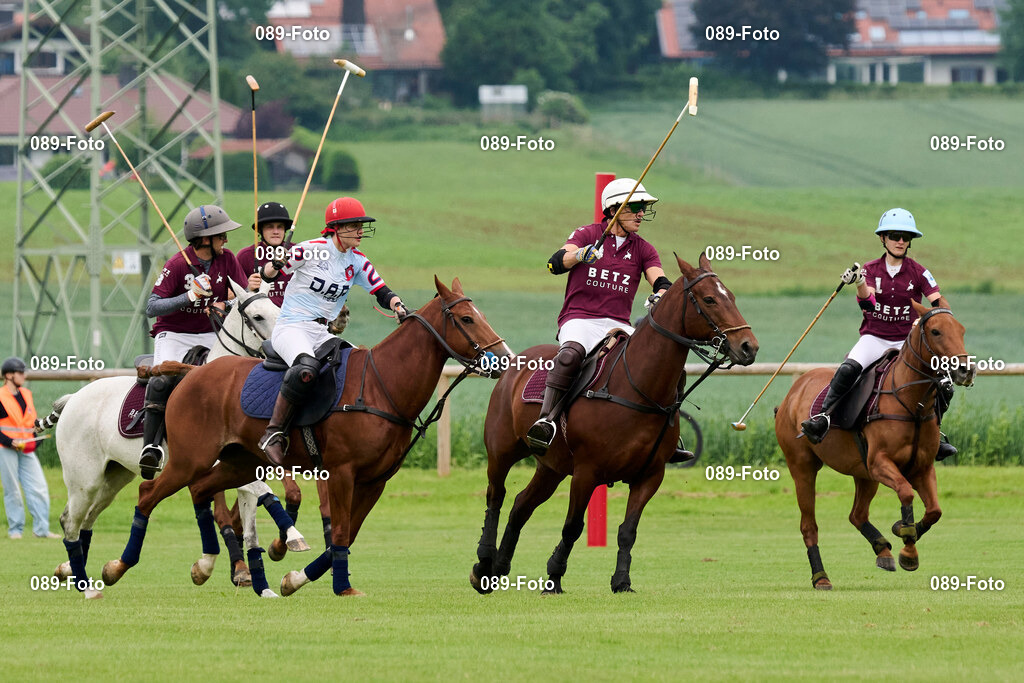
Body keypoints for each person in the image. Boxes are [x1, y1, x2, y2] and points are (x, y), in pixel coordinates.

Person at [525, 178, 692, 463]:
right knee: (570, 356)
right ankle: (546, 422)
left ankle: (668, 434)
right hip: (580, 319)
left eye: (643, 208)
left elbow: (659, 279)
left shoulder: (643, 249)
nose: (641, 214)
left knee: (669, 367)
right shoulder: (587, 234)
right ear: (615, 208)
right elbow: (554, 263)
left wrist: (661, 294)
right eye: (636, 207)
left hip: (618, 324)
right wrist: (580, 255)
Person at [257, 197, 409, 465]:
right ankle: (274, 434)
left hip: (322, 332)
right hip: (291, 326)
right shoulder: (310, 249)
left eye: (362, 225)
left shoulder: (358, 261)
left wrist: (398, 306)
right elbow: (269, 274)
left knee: (356, 366)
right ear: (336, 228)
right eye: (354, 225)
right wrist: (277, 260)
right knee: (305, 369)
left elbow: (381, 290)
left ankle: (335, 429)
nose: (361, 230)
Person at [801, 208, 957, 460]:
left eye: (906, 237)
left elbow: (937, 301)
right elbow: (869, 305)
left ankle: (935, 435)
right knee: (848, 369)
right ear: (883, 239)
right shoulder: (871, 269)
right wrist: (860, 282)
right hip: (875, 338)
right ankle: (823, 418)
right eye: (894, 236)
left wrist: (942, 315)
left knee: (944, 383)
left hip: (907, 341)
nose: (900, 241)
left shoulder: (919, 272)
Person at [138, 204, 250, 479]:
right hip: (174, 333)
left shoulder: (228, 260)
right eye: (221, 234)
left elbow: (244, 293)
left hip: (211, 333)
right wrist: (188, 297)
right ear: (204, 239)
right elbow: (152, 307)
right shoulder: (177, 264)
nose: (226, 239)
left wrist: (225, 302)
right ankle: (151, 447)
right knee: (161, 380)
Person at [0, 357, 58, 539]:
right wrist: (10, 442)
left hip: (27, 449)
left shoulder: (27, 394)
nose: (24, 375)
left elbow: (29, 424)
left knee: (39, 487)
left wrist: (35, 437)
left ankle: (41, 530)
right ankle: (15, 530)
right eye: (20, 372)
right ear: (9, 375)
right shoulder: (0, 396)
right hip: (6, 448)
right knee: (12, 489)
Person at [236, 201, 293, 307]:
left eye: (280, 227)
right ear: (260, 230)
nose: (276, 231)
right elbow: (232, 296)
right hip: (260, 321)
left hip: (293, 319)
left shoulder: (299, 252)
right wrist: (247, 288)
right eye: (270, 227)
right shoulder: (245, 256)